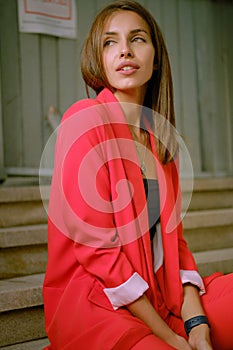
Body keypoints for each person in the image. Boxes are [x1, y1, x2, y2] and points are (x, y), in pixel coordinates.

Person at [43, 1, 233, 349]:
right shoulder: (84, 120)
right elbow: (97, 251)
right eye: (110, 42)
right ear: (97, 59)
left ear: (156, 56)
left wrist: (197, 324)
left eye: (137, 38)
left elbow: (176, 246)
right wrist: (172, 338)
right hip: (98, 303)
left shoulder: (160, 143)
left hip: (163, 295)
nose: (125, 50)